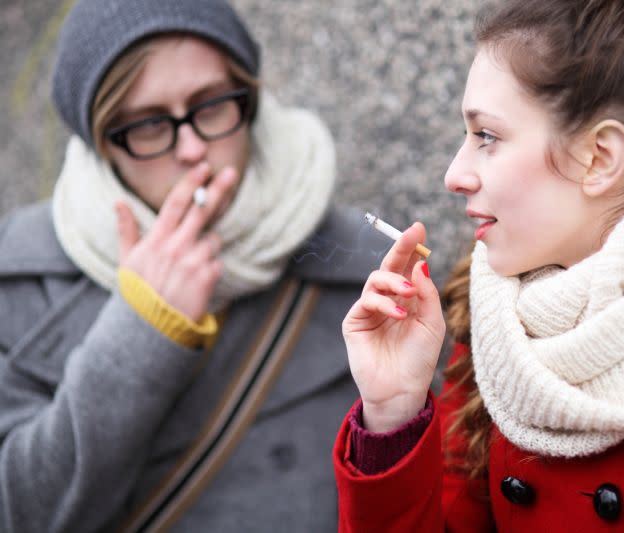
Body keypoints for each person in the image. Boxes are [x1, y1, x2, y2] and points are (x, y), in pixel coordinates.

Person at [334, 0, 624, 531]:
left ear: (600, 158)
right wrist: (393, 409)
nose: (454, 175)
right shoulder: (496, 307)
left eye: (486, 136)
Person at [0, 0, 386, 531]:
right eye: (149, 124)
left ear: (248, 101)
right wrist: (140, 333)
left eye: (210, 107)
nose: (190, 149)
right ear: (101, 145)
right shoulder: (17, 273)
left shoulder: (361, 267)